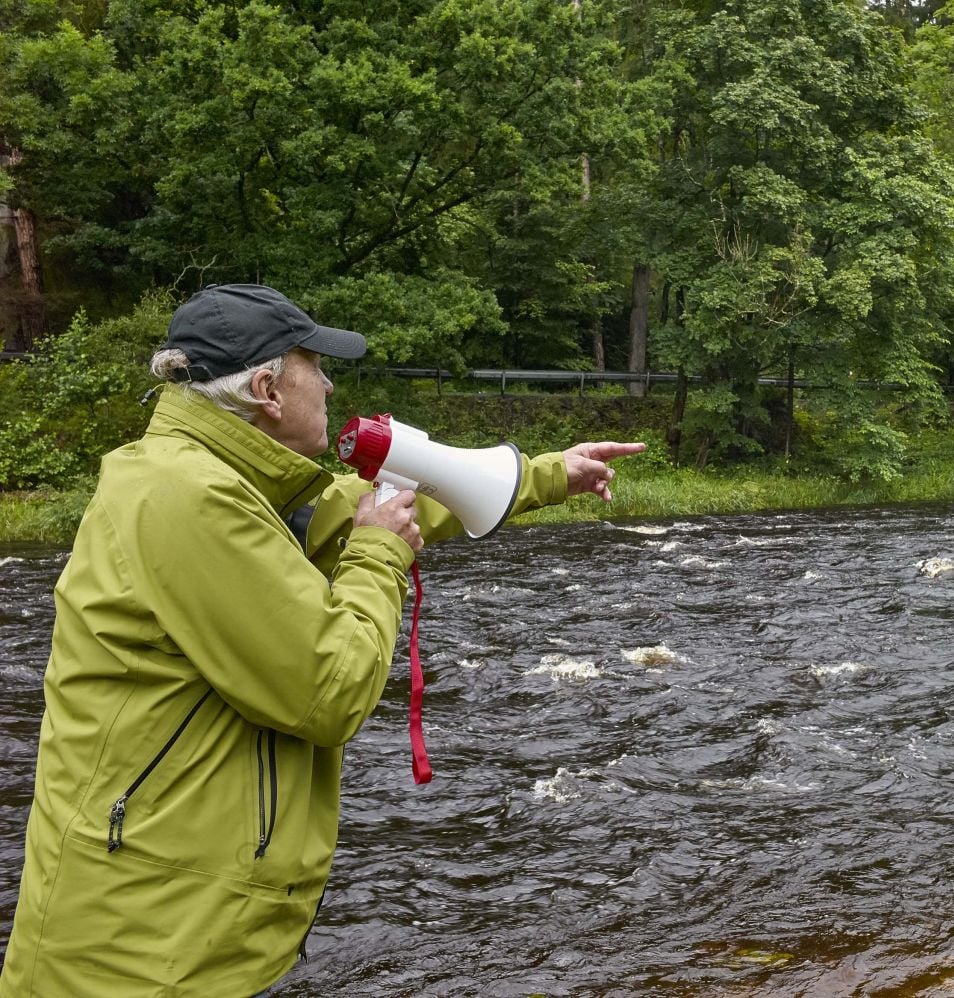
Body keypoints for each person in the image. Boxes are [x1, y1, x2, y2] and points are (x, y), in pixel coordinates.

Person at [0, 284, 646, 996]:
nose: (331, 382)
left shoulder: (224, 482)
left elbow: (373, 508)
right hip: (135, 955)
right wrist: (377, 558)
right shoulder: (188, 497)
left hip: (178, 929)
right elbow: (329, 689)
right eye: (316, 365)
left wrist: (551, 472)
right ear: (269, 389)